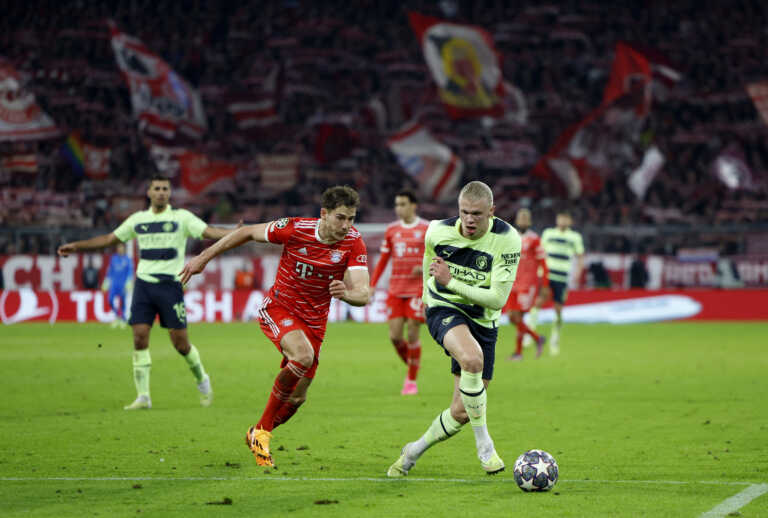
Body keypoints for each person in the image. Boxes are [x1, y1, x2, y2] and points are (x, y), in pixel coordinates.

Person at [179, 185, 371, 468]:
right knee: (302, 357)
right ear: (324, 214)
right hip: (280, 308)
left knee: (298, 397)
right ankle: (262, 435)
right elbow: (246, 232)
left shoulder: (353, 242)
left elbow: (364, 294)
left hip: (315, 323)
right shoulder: (295, 229)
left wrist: (347, 294)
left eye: (351, 219)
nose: (346, 225)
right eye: (340, 218)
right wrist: (202, 258)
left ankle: (257, 430)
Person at [58, 174, 237, 410]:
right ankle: (143, 396)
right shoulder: (138, 220)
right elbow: (110, 239)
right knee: (139, 337)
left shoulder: (181, 218)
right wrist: (77, 246)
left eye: (165, 189)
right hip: (143, 285)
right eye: (157, 188)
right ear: (149, 192)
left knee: (181, 344)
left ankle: (202, 378)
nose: (161, 192)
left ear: (169, 193)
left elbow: (209, 231)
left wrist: (235, 233)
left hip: (170, 286)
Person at [387, 181, 521, 477]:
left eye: (477, 214)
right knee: (472, 359)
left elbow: (498, 299)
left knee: (461, 412)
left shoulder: (507, 238)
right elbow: (429, 264)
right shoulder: (437, 231)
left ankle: (412, 452)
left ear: (492, 211)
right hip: (444, 308)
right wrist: (429, 297)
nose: (469, 220)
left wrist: (451, 281)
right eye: (464, 212)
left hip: (484, 320)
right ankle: (485, 446)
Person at [369, 189, 429, 395]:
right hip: (396, 288)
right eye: (396, 204)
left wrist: (424, 267)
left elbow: (437, 257)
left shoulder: (427, 229)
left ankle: (411, 380)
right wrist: (372, 285)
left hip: (417, 289)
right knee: (395, 337)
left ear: (413, 205)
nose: (398, 208)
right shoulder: (391, 230)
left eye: (402, 204)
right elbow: (383, 260)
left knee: (412, 332)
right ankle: (413, 364)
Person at [503, 208, 548, 361]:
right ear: (516, 220)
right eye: (520, 218)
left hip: (527, 284)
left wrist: (544, 286)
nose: (522, 221)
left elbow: (543, 264)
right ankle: (537, 338)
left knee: (518, 316)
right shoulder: (511, 237)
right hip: (513, 282)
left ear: (529, 221)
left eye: (525, 218)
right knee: (512, 317)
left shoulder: (534, 239)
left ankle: (518, 353)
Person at [540, 210, 584, 355]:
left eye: (565, 219)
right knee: (538, 302)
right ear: (557, 219)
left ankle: (555, 338)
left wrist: (578, 272)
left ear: (570, 221)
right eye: (561, 218)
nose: (563, 221)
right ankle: (529, 335)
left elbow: (580, 256)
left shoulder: (575, 237)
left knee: (558, 309)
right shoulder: (548, 233)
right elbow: (540, 253)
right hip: (547, 275)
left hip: (562, 277)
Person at [102, 242, 133, 329]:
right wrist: (107, 280)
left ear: (124, 249)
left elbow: (130, 271)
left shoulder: (128, 259)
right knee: (110, 299)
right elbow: (110, 270)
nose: (120, 249)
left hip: (123, 284)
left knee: (123, 302)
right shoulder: (114, 258)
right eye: (119, 247)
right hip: (114, 284)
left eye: (121, 247)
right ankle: (117, 316)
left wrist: (129, 281)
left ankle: (123, 319)